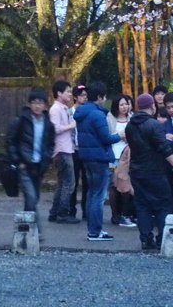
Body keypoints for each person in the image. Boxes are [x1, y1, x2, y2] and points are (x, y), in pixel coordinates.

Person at [127, 93, 173, 250]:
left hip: (136, 171)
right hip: (154, 171)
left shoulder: (130, 125)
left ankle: (146, 240)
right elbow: (164, 149)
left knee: (142, 206)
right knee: (163, 204)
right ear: (152, 106)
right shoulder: (154, 125)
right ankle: (162, 238)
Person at [74, 81, 123, 241]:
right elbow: (106, 138)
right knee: (98, 195)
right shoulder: (98, 115)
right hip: (100, 158)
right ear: (100, 97)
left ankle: (92, 229)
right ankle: (95, 231)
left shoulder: (81, 112)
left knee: (91, 193)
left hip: (86, 156)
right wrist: (121, 136)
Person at [5, 89, 55, 218]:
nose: (37, 106)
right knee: (31, 198)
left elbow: (51, 143)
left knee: (34, 199)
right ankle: (35, 231)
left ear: (45, 105)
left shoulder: (48, 122)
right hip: (24, 165)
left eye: (40, 102)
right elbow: (10, 141)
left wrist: (47, 158)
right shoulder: (21, 120)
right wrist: (17, 160)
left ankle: (28, 232)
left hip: (39, 166)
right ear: (29, 104)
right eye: (34, 102)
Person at [48, 80, 80, 224]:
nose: (70, 93)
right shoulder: (55, 109)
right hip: (62, 149)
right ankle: (62, 213)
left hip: (66, 148)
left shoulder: (63, 108)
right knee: (69, 183)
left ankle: (54, 212)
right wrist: (71, 125)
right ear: (59, 93)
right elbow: (55, 129)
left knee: (62, 183)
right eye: (67, 91)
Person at [107, 94, 136, 227]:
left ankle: (126, 213)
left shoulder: (132, 118)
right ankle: (115, 214)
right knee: (114, 185)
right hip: (114, 156)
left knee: (125, 185)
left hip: (128, 157)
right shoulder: (110, 118)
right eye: (122, 104)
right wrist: (119, 136)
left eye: (127, 104)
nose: (125, 107)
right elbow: (106, 136)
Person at [68, 84, 88, 220]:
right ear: (75, 97)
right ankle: (71, 210)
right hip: (73, 149)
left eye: (86, 95)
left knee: (87, 181)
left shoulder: (88, 111)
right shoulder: (69, 112)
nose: (85, 98)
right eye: (82, 95)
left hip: (86, 150)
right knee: (73, 181)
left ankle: (86, 210)